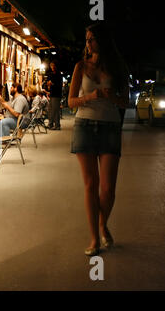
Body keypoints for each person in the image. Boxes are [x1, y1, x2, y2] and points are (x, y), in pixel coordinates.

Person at [68, 23, 129, 256]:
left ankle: (103, 224)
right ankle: (94, 238)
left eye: (92, 39)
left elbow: (126, 102)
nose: (88, 43)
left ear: (103, 41)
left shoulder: (118, 67)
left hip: (111, 127)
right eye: (87, 39)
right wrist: (90, 96)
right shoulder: (80, 66)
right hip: (84, 125)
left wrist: (111, 96)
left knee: (108, 188)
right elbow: (70, 101)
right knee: (90, 186)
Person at [47, 61, 63, 130]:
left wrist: (52, 84)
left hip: (57, 94)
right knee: (51, 109)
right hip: (52, 94)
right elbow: (48, 83)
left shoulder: (59, 75)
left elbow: (59, 85)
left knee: (55, 110)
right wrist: (49, 85)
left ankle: (56, 125)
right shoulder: (51, 74)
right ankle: (53, 124)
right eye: (51, 66)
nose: (52, 67)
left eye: (53, 66)